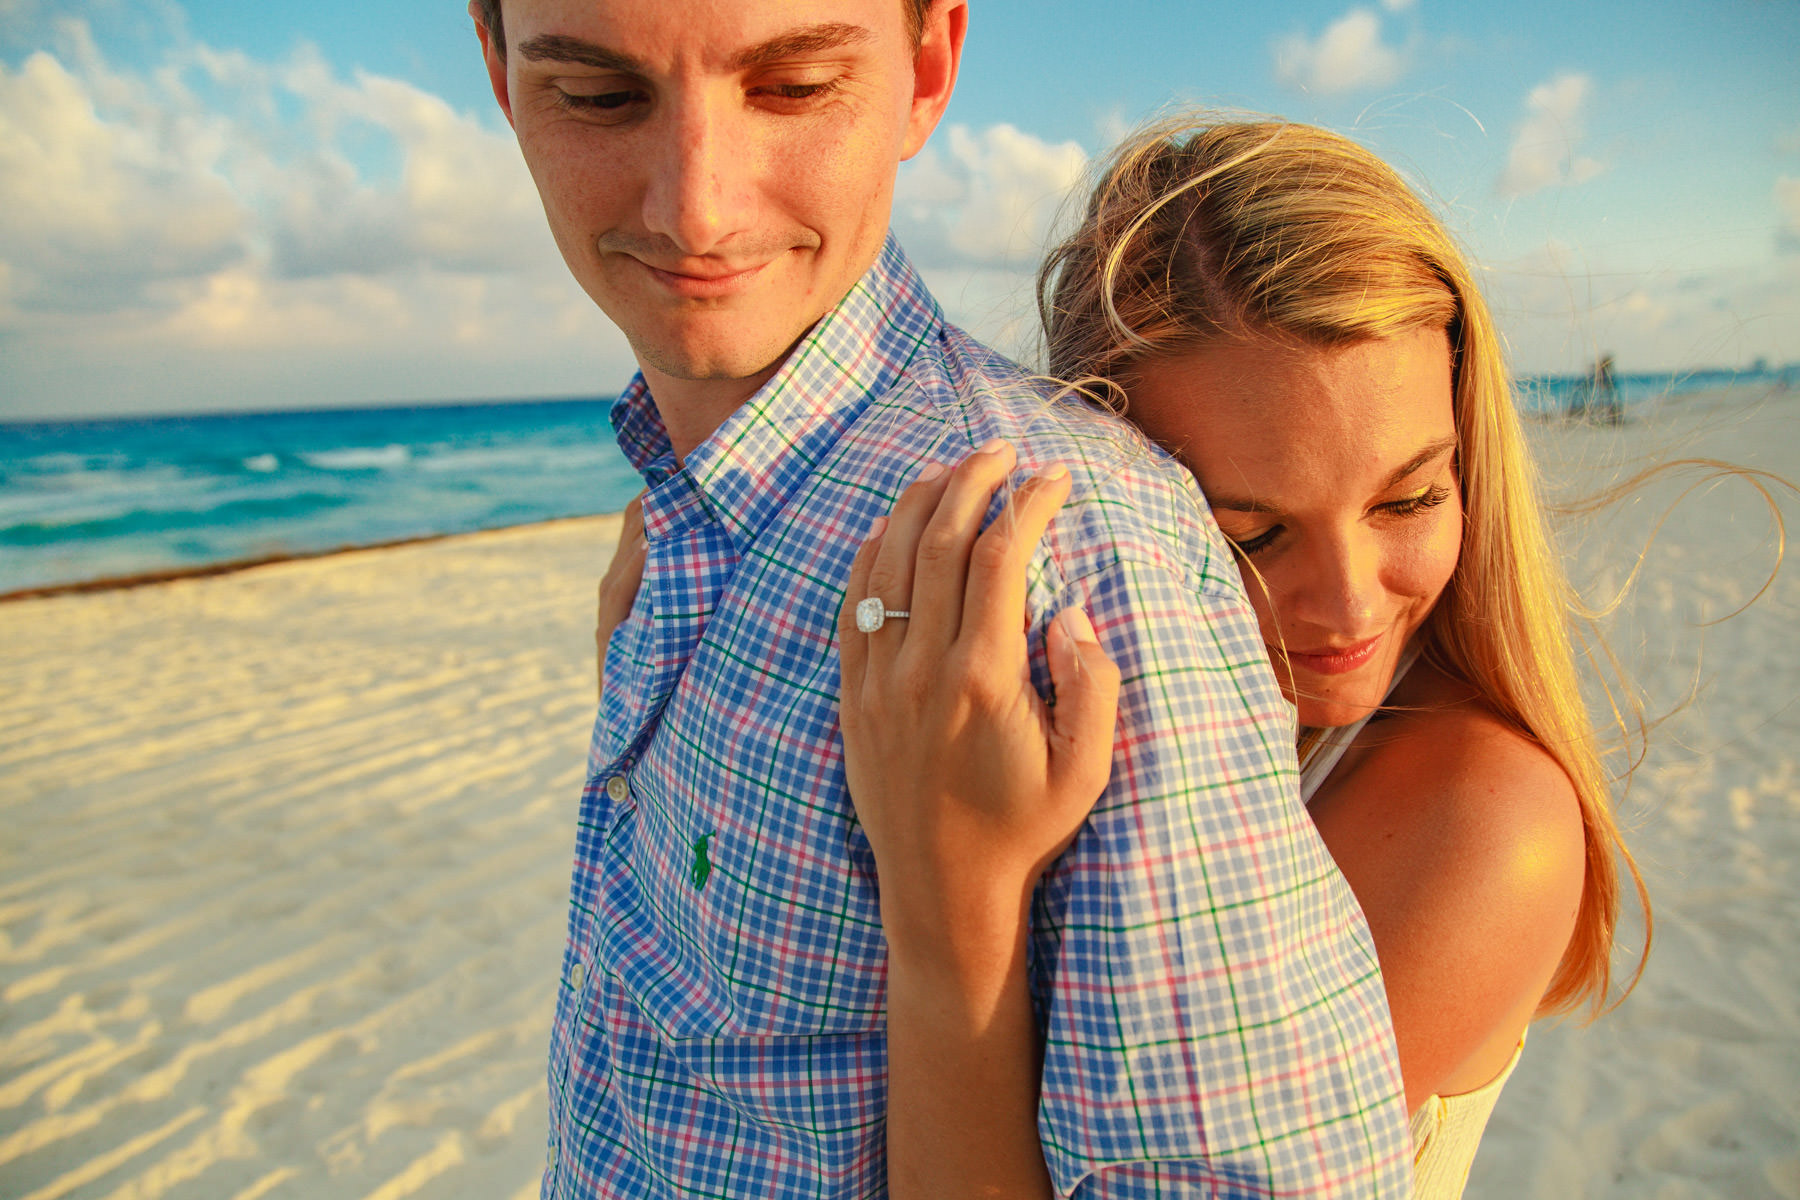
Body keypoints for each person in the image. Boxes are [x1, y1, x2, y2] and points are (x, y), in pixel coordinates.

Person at [487, 0, 1411, 1194]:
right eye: (602, 97)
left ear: (928, 70)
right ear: (500, 71)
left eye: (793, 87)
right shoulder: (684, 523)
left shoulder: (1066, 551)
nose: (694, 207)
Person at [832, 117, 1650, 1198]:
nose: (1350, 602)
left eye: (1410, 496)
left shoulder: (1481, 820)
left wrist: (955, 920)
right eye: (1251, 532)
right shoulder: (1083, 720)